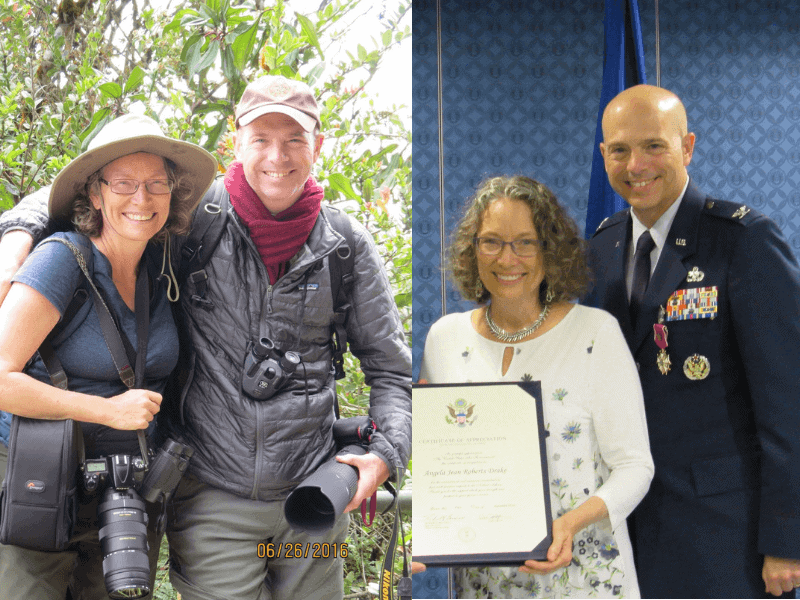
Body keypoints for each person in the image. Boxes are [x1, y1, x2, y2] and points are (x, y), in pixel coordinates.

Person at [0, 75, 412, 600]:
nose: (277, 157)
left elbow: (392, 369)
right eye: (261, 139)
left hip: (314, 503)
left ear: (318, 146)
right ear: (234, 143)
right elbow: (81, 198)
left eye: (294, 141)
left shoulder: (346, 245)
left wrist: (385, 454)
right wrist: (15, 241)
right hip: (213, 501)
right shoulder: (193, 223)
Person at [587, 84, 800, 598]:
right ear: (603, 156)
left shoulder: (743, 241)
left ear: (687, 147)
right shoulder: (601, 246)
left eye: (654, 145)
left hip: (725, 532)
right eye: (619, 150)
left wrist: (788, 537)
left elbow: (789, 400)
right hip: (624, 529)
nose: (636, 164)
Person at [0, 114, 216, 599]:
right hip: (40, 481)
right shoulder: (61, 259)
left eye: (156, 185)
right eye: (124, 183)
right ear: (94, 194)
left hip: (122, 489)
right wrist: (107, 411)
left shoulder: (162, 268)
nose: (141, 199)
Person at [419, 175, 654, 598]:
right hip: (483, 586)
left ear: (550, 250)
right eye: (491, 241)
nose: (507, 258)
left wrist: (570, 523)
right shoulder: (444, 339)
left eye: (525, 242)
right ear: (472, 251)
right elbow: (441, 459)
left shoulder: (594, 333)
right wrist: (432, 530)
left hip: (584, 579)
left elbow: (635, 467)